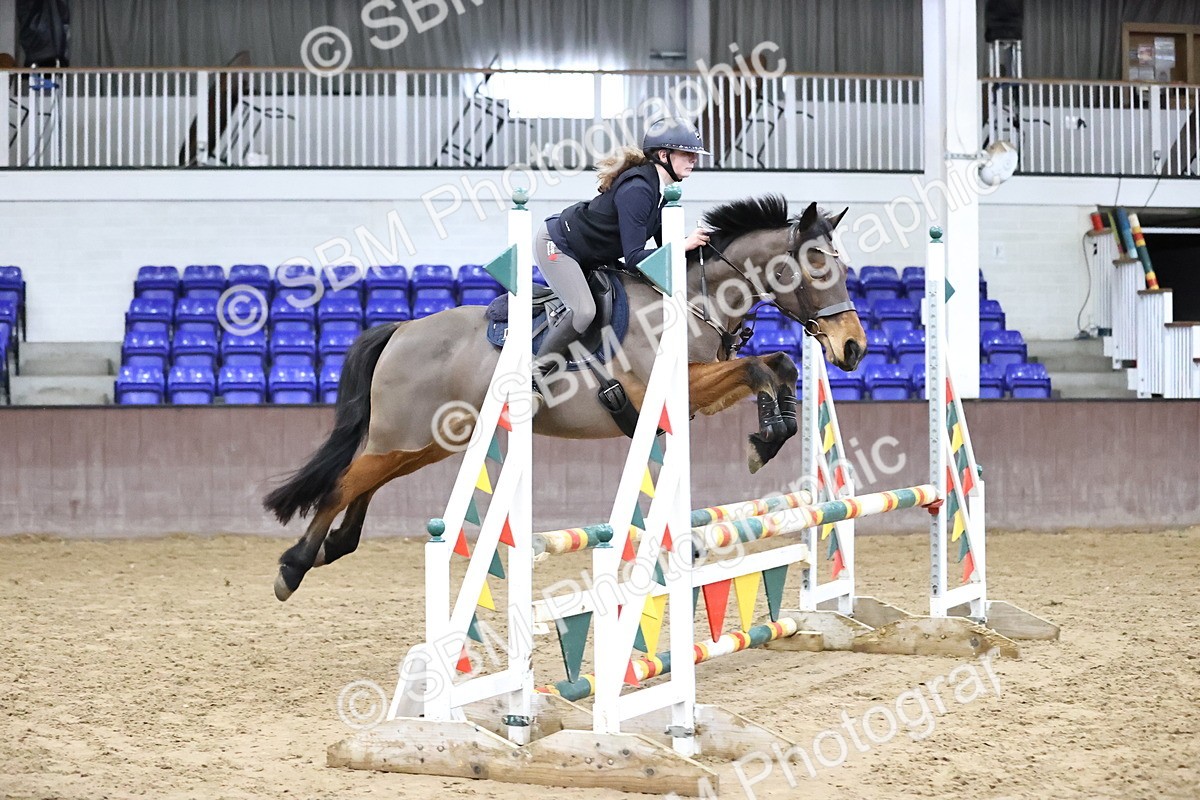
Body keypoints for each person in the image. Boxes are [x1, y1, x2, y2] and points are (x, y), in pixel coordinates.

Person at [532, 117, 712, 377]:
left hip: (591, 252)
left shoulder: (659, 191)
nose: (694, 160)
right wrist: (683, 244)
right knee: (584, 312)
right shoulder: (638, 190)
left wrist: (703, 246)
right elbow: (635, 258)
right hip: (558, 246)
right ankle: (535, 376)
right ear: (664, 155)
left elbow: (664, 248)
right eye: (687, 153)